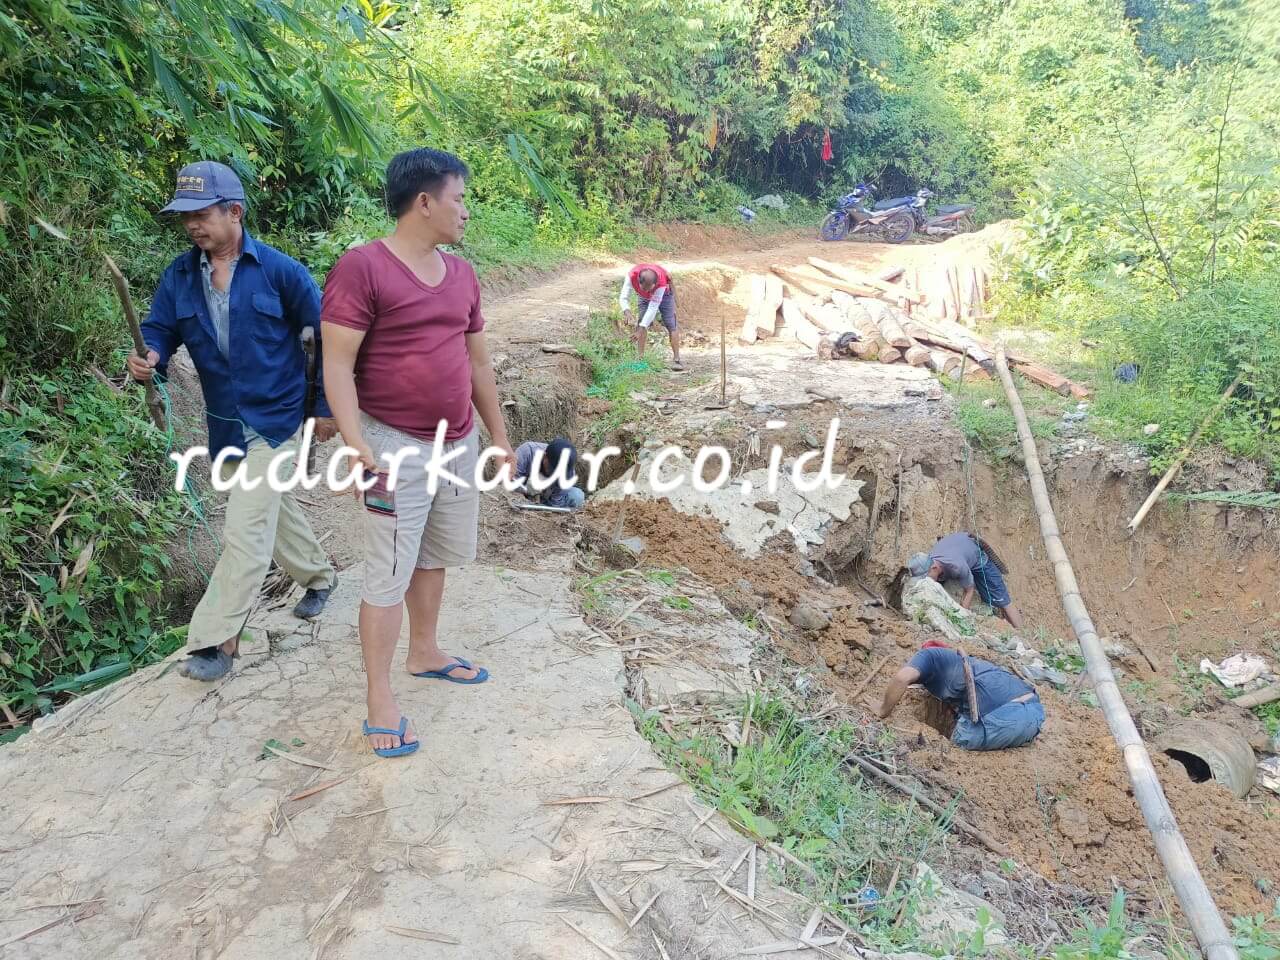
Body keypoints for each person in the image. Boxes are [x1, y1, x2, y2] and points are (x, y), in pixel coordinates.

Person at [322, 147, 515, 759]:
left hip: (458, 441)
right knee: (387, 570)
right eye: (458, 198)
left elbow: (477, 362)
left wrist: (500, 437)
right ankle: (380, 699)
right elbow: (337, 364)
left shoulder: (461, 275)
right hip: (392, 445)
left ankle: (425, 650)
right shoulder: (363, 268)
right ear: (424, 202)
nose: (465, 210)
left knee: (433, 552)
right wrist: (356, 446)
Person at [129, 161, 337, 682]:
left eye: (202, 214)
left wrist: (326, 409)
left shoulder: (281, 272)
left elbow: (326, 342)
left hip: (277, 417)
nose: (193, 226)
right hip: (225, 422)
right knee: (270, 505)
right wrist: (148, 356)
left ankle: (215, 640)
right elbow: (157, 328)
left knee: (244, 529)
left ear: (234, 212)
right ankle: (319, 577)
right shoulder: (179, 276)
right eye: (185, 217)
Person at [877, 641, 1044, 751]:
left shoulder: (928, 655)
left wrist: (882, 710)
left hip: (1003, 719)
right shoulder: (971, 666)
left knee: (955, 746)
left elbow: (902, 678)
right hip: (1035, 715)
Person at [907, 532, 1023, 628]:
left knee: (1002, 601)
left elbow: (969, 590)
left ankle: (1023, 634)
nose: (925, 580)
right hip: (962, 547)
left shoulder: (956, 566)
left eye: (925, 576)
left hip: (978, 557)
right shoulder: (932, 558)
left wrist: (962, 616)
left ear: (934, 567)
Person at [619, 263, 683, 370]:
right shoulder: (632, 275)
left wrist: (640, 330)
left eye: (650, 289)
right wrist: (627, 312)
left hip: (665, 295)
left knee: (671, 323)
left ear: (655, 283)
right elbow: (623, 297)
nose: (648, 292)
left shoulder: (661, 282)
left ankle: (677, 359)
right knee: (641, 322)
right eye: (644, 288)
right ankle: (640, 359)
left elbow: (652, 308)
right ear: (638, 281)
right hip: (643, 297)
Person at [513, 438, 585, 510]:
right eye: (553, 470)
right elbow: (511, 482)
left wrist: (544, 507)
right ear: (545, 456)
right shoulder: (527, 452)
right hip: (523, 492)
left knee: (577, 495)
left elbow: (556, 503)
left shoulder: (569, 475)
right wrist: (527, 491)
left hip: (547, 498)